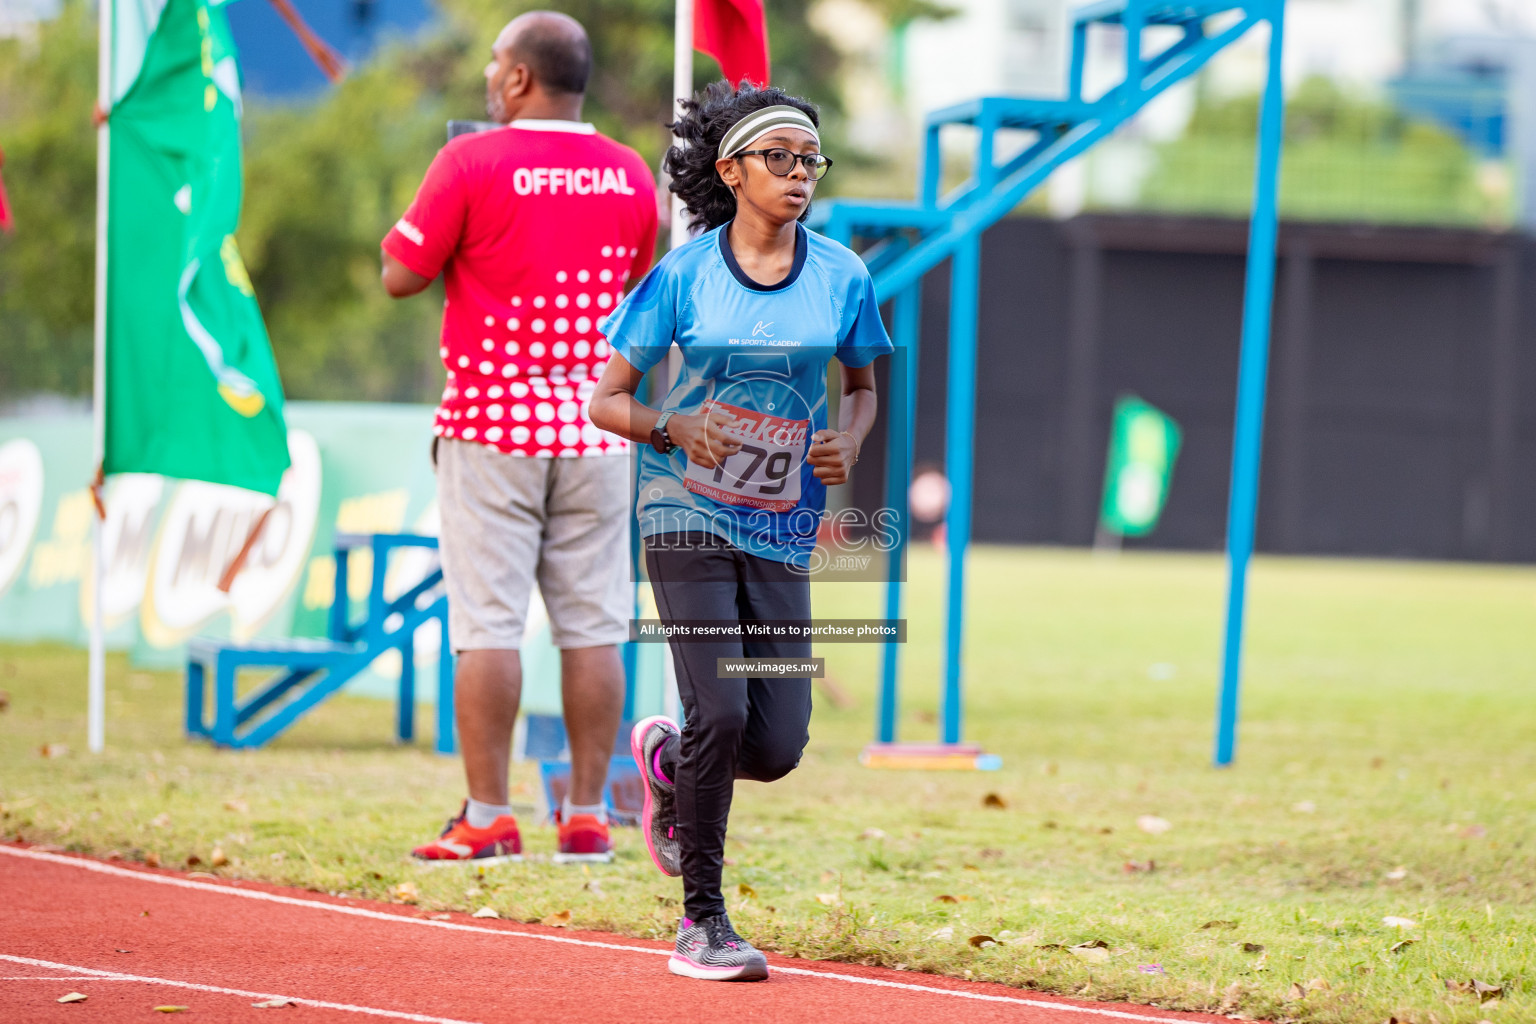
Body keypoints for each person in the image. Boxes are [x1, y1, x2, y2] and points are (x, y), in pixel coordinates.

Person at [588, 81, 892, 980]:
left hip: (782, 525)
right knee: (719, 706)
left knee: (774, 743)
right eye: (780, 159)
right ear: (732, 169)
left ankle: (667, 764)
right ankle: (703, 924)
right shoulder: (682, 276)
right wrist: (675, 427)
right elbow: (605, 400)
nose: (799, 175)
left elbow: (866, 384)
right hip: (682, 512)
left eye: (810, 160)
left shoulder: (843, 274)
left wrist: (850, 437)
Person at [379, 11, 658, 864]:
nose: (490, 75)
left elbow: (401, 275)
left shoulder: (469, 158)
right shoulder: (628, 172)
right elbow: (642, 295)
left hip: (493, 424)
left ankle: (490, 814)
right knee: (593, 625)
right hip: (600, 432)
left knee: (488, 625)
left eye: (497, 62)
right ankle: (585, 816)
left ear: (520, 81)